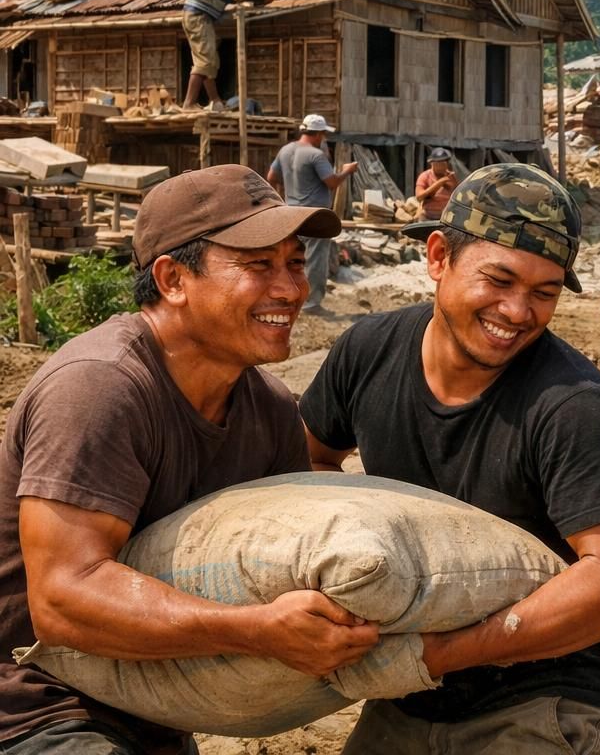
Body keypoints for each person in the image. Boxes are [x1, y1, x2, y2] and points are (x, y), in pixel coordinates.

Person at [0, 165, 376, 755]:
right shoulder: (99, 388)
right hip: (34, 710)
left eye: (296, 263)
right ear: (173, 279)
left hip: (158, 707)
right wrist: (255, 633)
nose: (290, 289)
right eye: (259, 265)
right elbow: (61, 603)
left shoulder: (271, 409)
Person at [301, 163, 600, 755]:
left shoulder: (574, 407)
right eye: (499, 281)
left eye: (544, 294)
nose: (518, 312)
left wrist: (439, 652)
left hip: (550, 694)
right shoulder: (368, 353)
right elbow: (306, 463)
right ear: (438, 256)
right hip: (409, 696)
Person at [268, 113, 358, 313]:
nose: (323, 139)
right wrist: (347, 171)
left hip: (291, 213)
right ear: (318, 134)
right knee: (315, 260)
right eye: (323, 135)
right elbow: (332, 182)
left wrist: (278, 202)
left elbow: (271, 177)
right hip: (314, 216)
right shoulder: (315, 155)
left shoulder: (285, 150)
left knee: (293, 259)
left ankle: (291, 298)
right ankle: (311, 304)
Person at [182, 0, 277, 110]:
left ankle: (215, 101)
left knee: (209, 60)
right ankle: (188, 104)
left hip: (196, 15)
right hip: (198, 16)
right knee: (205, 62)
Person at [414, 146, 458, 220]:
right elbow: (419, 197)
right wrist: (439, 183)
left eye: (443, 163)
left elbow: (458, 195)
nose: (441, 166)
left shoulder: (451, 177)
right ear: (432, 163)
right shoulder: (425, 176)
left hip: (445, 217)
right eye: (439, 163)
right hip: (428, 215)